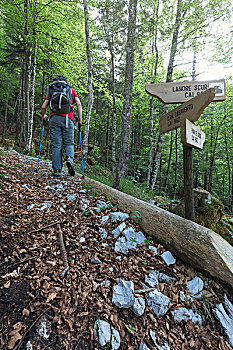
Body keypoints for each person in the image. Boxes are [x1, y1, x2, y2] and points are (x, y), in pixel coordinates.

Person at [41, 75, 82, 177]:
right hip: (69, 119)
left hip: (54, 119)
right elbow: (79, 104)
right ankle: (69, 158)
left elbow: (43, 107)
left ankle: (57, 170)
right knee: (69, 143)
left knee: (56, 145)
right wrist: (80, 120)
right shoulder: (71, 91)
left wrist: (43, 116)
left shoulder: (52, 91)